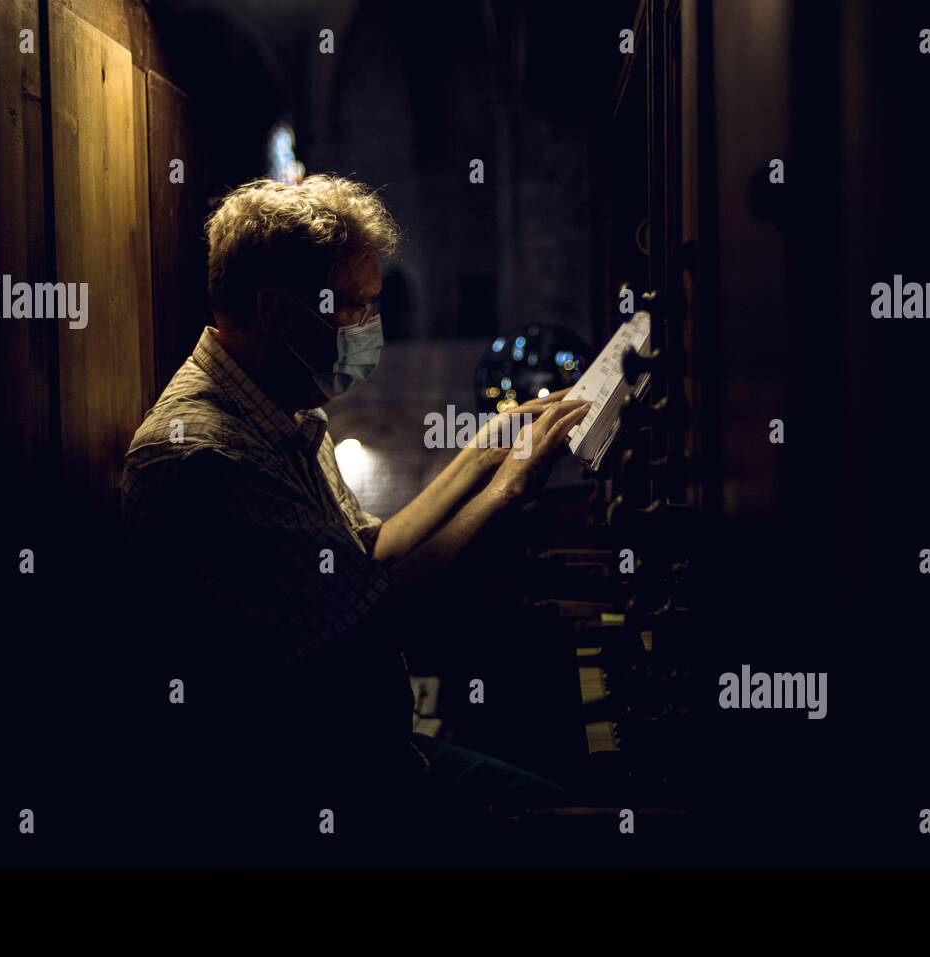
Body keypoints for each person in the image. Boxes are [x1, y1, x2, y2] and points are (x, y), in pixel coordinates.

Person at [119, 175, 588, 862]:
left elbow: (370, 547)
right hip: (297, 797)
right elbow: (379, 615)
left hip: (368, 753)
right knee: (567, 828)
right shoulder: (203, 454)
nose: (370, 329)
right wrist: (508, 492)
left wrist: (489, 449)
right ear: (276, 309)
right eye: (354, 308)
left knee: (562, 803)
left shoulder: (284, 405)